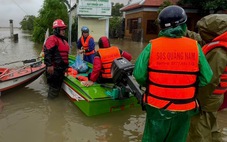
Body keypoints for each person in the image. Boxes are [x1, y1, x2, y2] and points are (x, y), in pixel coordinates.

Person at [133, 5, 213, 142]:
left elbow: (139, 75)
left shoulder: (152, 46)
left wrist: (156, 83)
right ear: (183, 25)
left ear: (162, 27)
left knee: (152, 138)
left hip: (156, 106)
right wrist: (186, 84)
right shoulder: (195, 47)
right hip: (185, 107)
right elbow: (207, 78)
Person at [187, 14, 227, 142]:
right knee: (211, 125)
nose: (201, 33)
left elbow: (209, 80)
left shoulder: (218, 52)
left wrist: (197, 101)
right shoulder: (219, 42)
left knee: (198, 129)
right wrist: (184, 31)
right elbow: (200, 39)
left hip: (208, 97)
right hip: (216, 96)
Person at [44, 19, 69, 99]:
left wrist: (65, 67)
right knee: (54, 89)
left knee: (57, 88)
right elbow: (47, 52)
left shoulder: (64, 40)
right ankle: (51, 105)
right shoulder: (52, 39)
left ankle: (53, 104)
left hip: (61, 69)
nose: (63, 31)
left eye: (64, 29)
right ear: (57, 29)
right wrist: (49, 65)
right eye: (62, 29)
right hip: (54, 70)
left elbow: (65, 56)